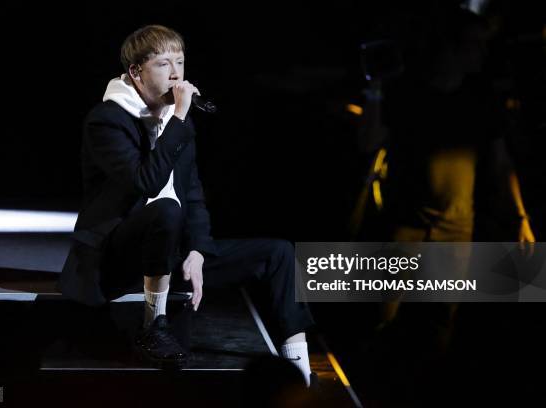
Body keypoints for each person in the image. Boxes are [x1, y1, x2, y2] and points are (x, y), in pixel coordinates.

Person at [59, 24, 316, 385]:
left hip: (171, 250)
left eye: (180, 62)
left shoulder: (177, 123)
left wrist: (197, 249)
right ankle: (154, 324)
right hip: (118, 254)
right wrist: (178, 119)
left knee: (278, 253)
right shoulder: (107, 120)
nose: (177, 74)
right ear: (136, 72)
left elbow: (192, 194)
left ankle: (301, 371)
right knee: (166, 210)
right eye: (165, 64)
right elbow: (145, 182)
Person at [357, 8, 535, 336]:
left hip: (455, 229)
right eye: (475, 45)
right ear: (451, 47)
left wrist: (520, 217)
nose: (482, 54)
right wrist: (376, 87)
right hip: (405, 226)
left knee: (439, 322)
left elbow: (501, 162)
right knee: (381, 318)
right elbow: (368, 141)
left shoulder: (481, 99)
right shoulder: (407, 91)